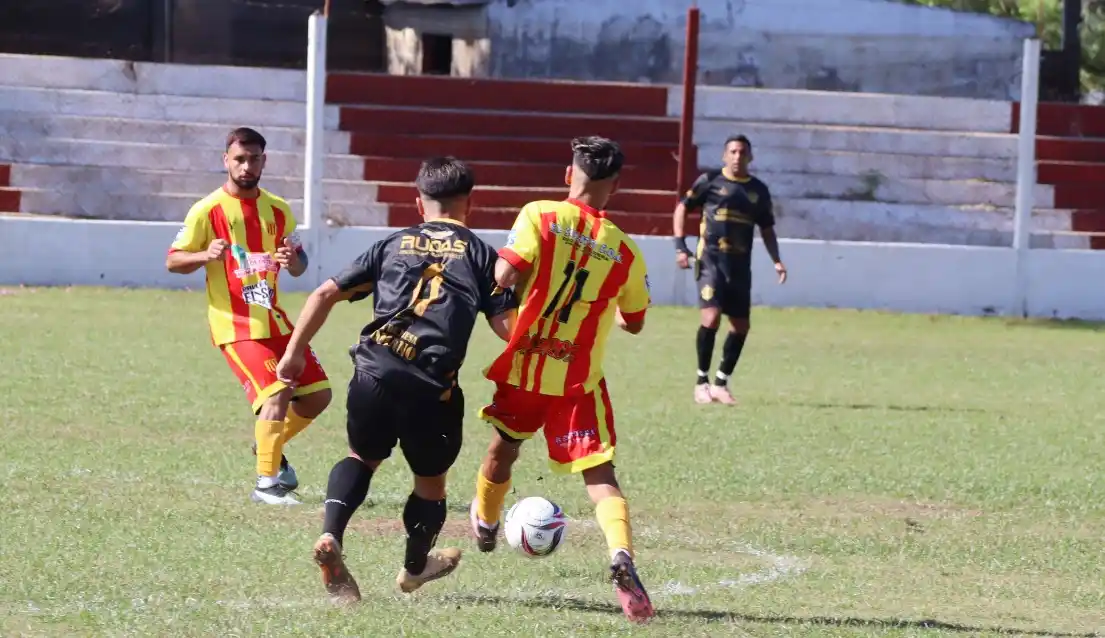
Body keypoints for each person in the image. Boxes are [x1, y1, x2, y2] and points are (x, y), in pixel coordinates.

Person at [274, 157, 517, 603]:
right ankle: (414, 567)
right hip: (432, 386)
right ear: (471, 203)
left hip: (373, 372)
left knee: (362, 458)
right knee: (431, 482)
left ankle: (331, 536)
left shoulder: (392, 244)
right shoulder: (484, 253)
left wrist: (292, 354)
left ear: (418, 202)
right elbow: (506, 327)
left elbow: (325, 291)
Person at [468, 136, 656, 623]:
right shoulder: (627, 251)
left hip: (529, 367)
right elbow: (634, 322)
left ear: (568, 175)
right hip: (579, 379)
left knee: (502, 448)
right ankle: (621, 556)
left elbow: (504, 275)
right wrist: (613, 312)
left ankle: (486, 523)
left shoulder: (540, 214)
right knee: (600, 476)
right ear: (615, 185)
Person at [166, 126, 331, 505]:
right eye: (239, 159)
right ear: (226, 160)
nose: (246, 166)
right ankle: (267, 485)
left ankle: (266, 445)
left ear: (263, 161)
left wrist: (294, 260)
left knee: (318, 396)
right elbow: (173, 260)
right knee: (278, 389)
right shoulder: (206, 210)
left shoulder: (278, 209)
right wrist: (204, 256)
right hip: (236, 325)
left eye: (253, 158)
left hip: (275, 320)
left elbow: (301, 264)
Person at [672, 134, 788, 405]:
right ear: (725, 156)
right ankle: (701, 381)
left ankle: (721, 382)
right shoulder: (710, 181)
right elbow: (682, 208)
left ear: (750, 157)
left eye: (742, 152)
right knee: (711, 318)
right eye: (733, 152)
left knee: (741, 326)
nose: (737, 157)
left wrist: (777, 260)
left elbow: (767, 229)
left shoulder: (758, 190)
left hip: (739, 266)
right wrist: (680, 245)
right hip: (711, 261)